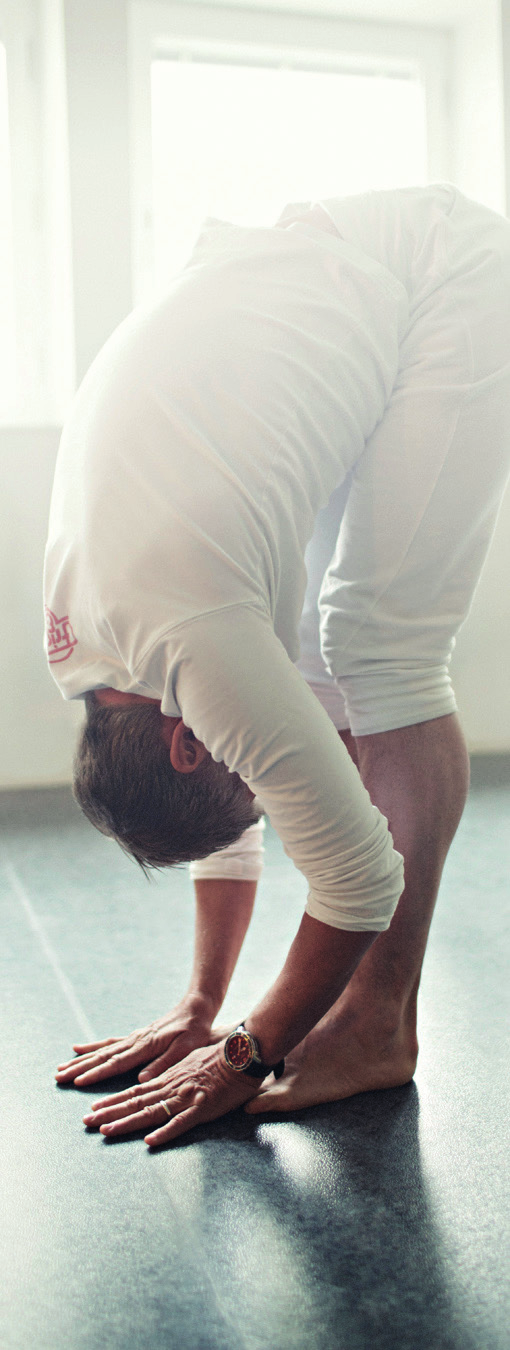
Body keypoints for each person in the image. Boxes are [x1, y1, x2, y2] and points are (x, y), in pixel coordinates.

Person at [47, 184, 510, 1147]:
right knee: (320, 663)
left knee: (384, 648)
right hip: (313, 295)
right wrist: (200, 1001)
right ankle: (359, 1012)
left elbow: (356, 876)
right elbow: (228, 736)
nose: (271, 792)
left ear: (183, 743)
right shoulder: (94, 656)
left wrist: (247, 1050)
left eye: (246, 786)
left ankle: (378, 1023)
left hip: (438, 278)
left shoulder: (190, 630)